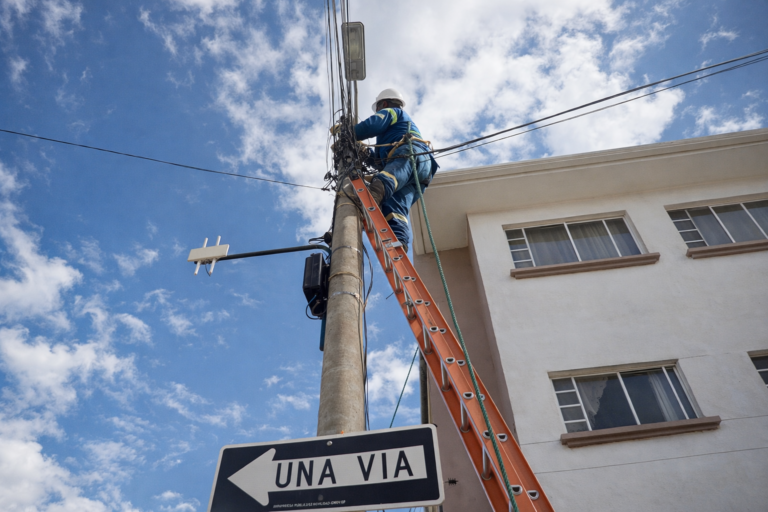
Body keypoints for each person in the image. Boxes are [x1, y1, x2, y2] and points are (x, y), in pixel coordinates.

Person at [352, 88, 438, 254]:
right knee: (394, 207)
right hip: (421, 170)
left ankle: (364, 207)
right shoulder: (391, 135)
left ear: (384, 104)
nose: (378, 112)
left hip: (410, 154)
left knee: (383, 182)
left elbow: (373, 124)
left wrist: (348, 133)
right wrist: (364, 153)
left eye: (379, 108)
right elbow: (379, 162)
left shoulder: (394, 112)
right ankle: (400, 244)